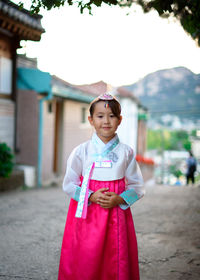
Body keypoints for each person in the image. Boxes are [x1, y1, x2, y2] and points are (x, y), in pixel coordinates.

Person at [58, 93, 145, 280]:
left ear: (120, 120)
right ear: (90, 119)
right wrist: (90, 195)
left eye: (112, 116)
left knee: (115, 257)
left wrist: (120, 198)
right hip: (88, 215)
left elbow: (137, 187)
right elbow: (69, 184)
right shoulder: (81, 151)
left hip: (116, 215)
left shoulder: (126, 153)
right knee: (87, 256)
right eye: (100, 116)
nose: (106, 121)